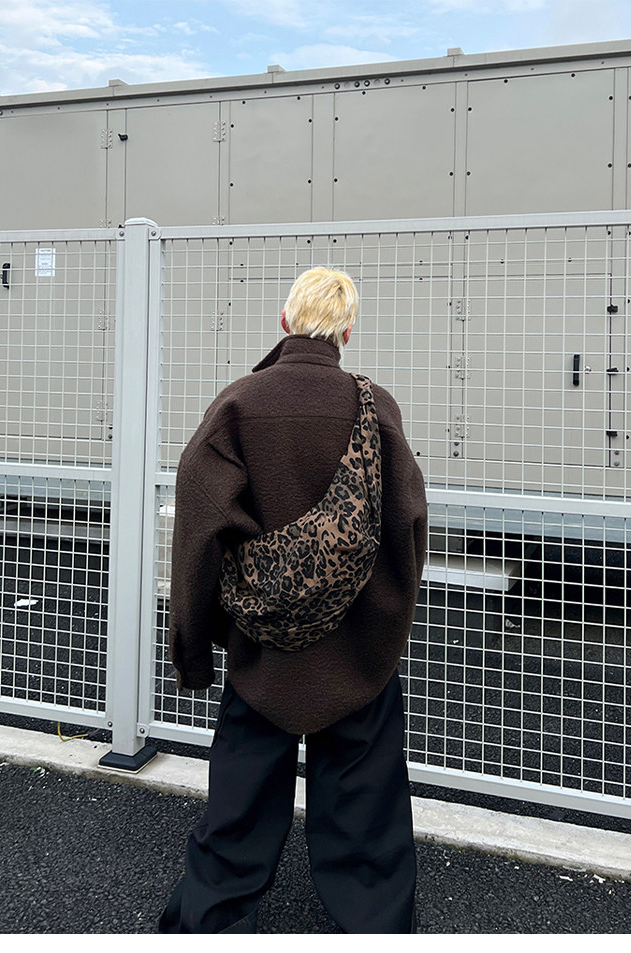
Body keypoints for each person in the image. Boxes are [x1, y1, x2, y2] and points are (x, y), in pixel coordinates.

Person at [159, 267, 428, 934]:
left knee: (239, 804)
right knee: (366, 807)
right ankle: (375, 926)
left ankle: (209, 924)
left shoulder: (238, 403)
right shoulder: (375, 406)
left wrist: (195, 647)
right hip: (357, 654)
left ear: (285, 322)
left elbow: (199, 528)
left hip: (263, 651)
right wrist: (384, 623)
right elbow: (408, 525)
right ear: (346, 330)